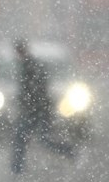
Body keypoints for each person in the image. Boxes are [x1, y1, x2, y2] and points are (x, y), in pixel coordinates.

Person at [10, 38, 75, 174]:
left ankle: (70, 151)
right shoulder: (28, 66)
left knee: (35, 139)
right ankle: (17, 169)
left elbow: (37, 91)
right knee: (30, 138)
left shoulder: (31, 66)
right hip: (36, 111)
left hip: (37, 111)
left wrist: (31, 105)